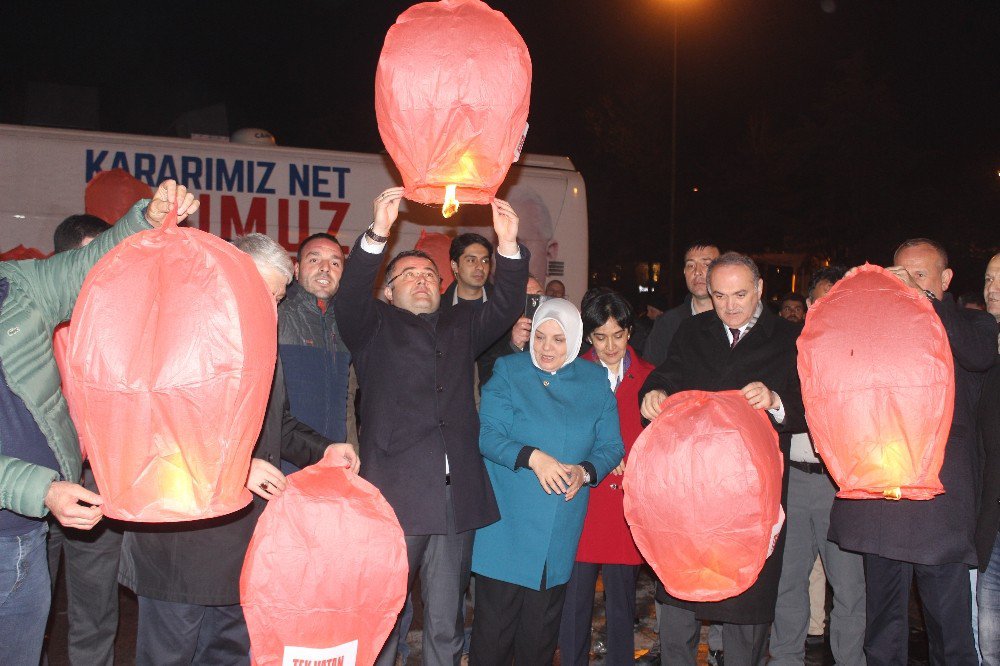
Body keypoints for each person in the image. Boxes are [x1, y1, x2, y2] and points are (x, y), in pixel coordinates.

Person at [118, 232, 359, 665]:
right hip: (182, 543)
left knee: (228, 652)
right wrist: (238, 467)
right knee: (170, 655)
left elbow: (277, 424)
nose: (273, 306)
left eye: (279, 297)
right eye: (266, 292)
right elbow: (154, 427)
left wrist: (325, 450)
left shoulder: (262, 340)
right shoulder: (176, 331)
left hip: (242, 541)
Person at [0, 180, 196, 664]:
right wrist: (40, 488)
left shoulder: (17, 289)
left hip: (54, 506)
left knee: (75, 618)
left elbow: (98, 267)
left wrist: (145, 220)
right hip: (40, 496)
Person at [333, 188, 529, 666]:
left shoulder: (461, 324)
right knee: (384, 614)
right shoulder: (371, 324)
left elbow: (504, 306)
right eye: (408, 275)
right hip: (396, 495)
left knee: (446, 621)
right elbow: (352, 291)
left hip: (456, 498)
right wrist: (378, 234)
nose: (421, 280)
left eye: (428, 274)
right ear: (388, 290)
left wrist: (508, 245)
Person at [828, 239, 997, 665]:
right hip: (882, 502)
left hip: (940, 508)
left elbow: (977, 356)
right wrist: (852, 293)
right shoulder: (877, 327)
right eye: (899, 273)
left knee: (950, 633)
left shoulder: (973, 325)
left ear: (946, 279)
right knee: (883, 633)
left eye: (920, 275)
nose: (908, 282)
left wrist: (921, 299)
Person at [639, 252, 806, 666]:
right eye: (719, 296)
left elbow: (811, 405)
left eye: (740, 294)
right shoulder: (694, 330)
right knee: (679, 598)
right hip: (691, 491)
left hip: (750, 498)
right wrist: (653, 392)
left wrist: (775, 400)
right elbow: (669, 372)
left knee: (747, 609)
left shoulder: (789, 337)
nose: (730, 306)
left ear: (760, 289)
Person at [468, 298, 624, 665]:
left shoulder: (594, 379)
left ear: (574, 339)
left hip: (558, 528)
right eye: (540, 337)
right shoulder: (509, 371)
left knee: (538, 640)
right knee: (493, 636)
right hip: (507, 527)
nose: (547, 348)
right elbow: (487, 435)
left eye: (558, 339)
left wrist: (585, 471)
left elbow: (612, 445)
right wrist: (532, 457)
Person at [769, 266, 866, 666]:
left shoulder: (863, 355)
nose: (829, 308)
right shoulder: (785, 351)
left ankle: (849, 660)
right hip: (793, 479)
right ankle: (785, 658)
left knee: (848, 587)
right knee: (787, 582)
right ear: (809, 305)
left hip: (840, 484)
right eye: (822, 299)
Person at [45, 213, 126, 666]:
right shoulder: (29, 323)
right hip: (38, 480)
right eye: (90, 257)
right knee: (25, 605)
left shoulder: (119, 323)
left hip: (98, 482)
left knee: (95, 610)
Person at [558, 291, 655, 665]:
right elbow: (559, 433)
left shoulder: (650, 377)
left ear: (630, 332)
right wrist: (597, 457)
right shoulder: (571, 374)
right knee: (574, 606)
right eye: (600, 337)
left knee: (621, 606)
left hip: (627, 507)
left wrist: (637, 460)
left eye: (618, 335)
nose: (610, 346)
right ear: (588, 337)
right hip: (582, 503)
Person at [277, 232, 354, 461]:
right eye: (314, 259)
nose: (325, 268)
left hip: (335, 464)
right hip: (283, 466)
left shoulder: (349, 325)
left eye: (335, 262)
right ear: (296, 270)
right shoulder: (275, 314)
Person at [976, 252, 1000, 665]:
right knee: (987, 633)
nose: (993, 287)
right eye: (989, 278)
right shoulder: (982, 350)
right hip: (991, 527)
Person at [643, 242, 720, 366]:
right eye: (691, 265)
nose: (697, 272)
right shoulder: (667, 324)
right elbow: (650, 373)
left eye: (706, 264)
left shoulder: (735, 319)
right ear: (684, 272)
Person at [442, 233, 494, 306]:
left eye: (485, 261)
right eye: (471, 260)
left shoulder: (504, 305)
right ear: (455, 266)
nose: (480, 267)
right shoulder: (437, 309)